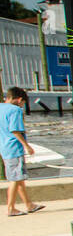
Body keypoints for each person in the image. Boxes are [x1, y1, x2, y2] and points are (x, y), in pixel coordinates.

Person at [2, 87, 43, 217]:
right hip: (14, 148)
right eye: (23, 103)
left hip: (3, 147)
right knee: (15, 179)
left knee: (18, 178)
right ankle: (11, 208)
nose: (23, 105)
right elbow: (15, 130)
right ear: (20, 100)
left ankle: (29, 204)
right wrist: (27, 146)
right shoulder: (16, 110)